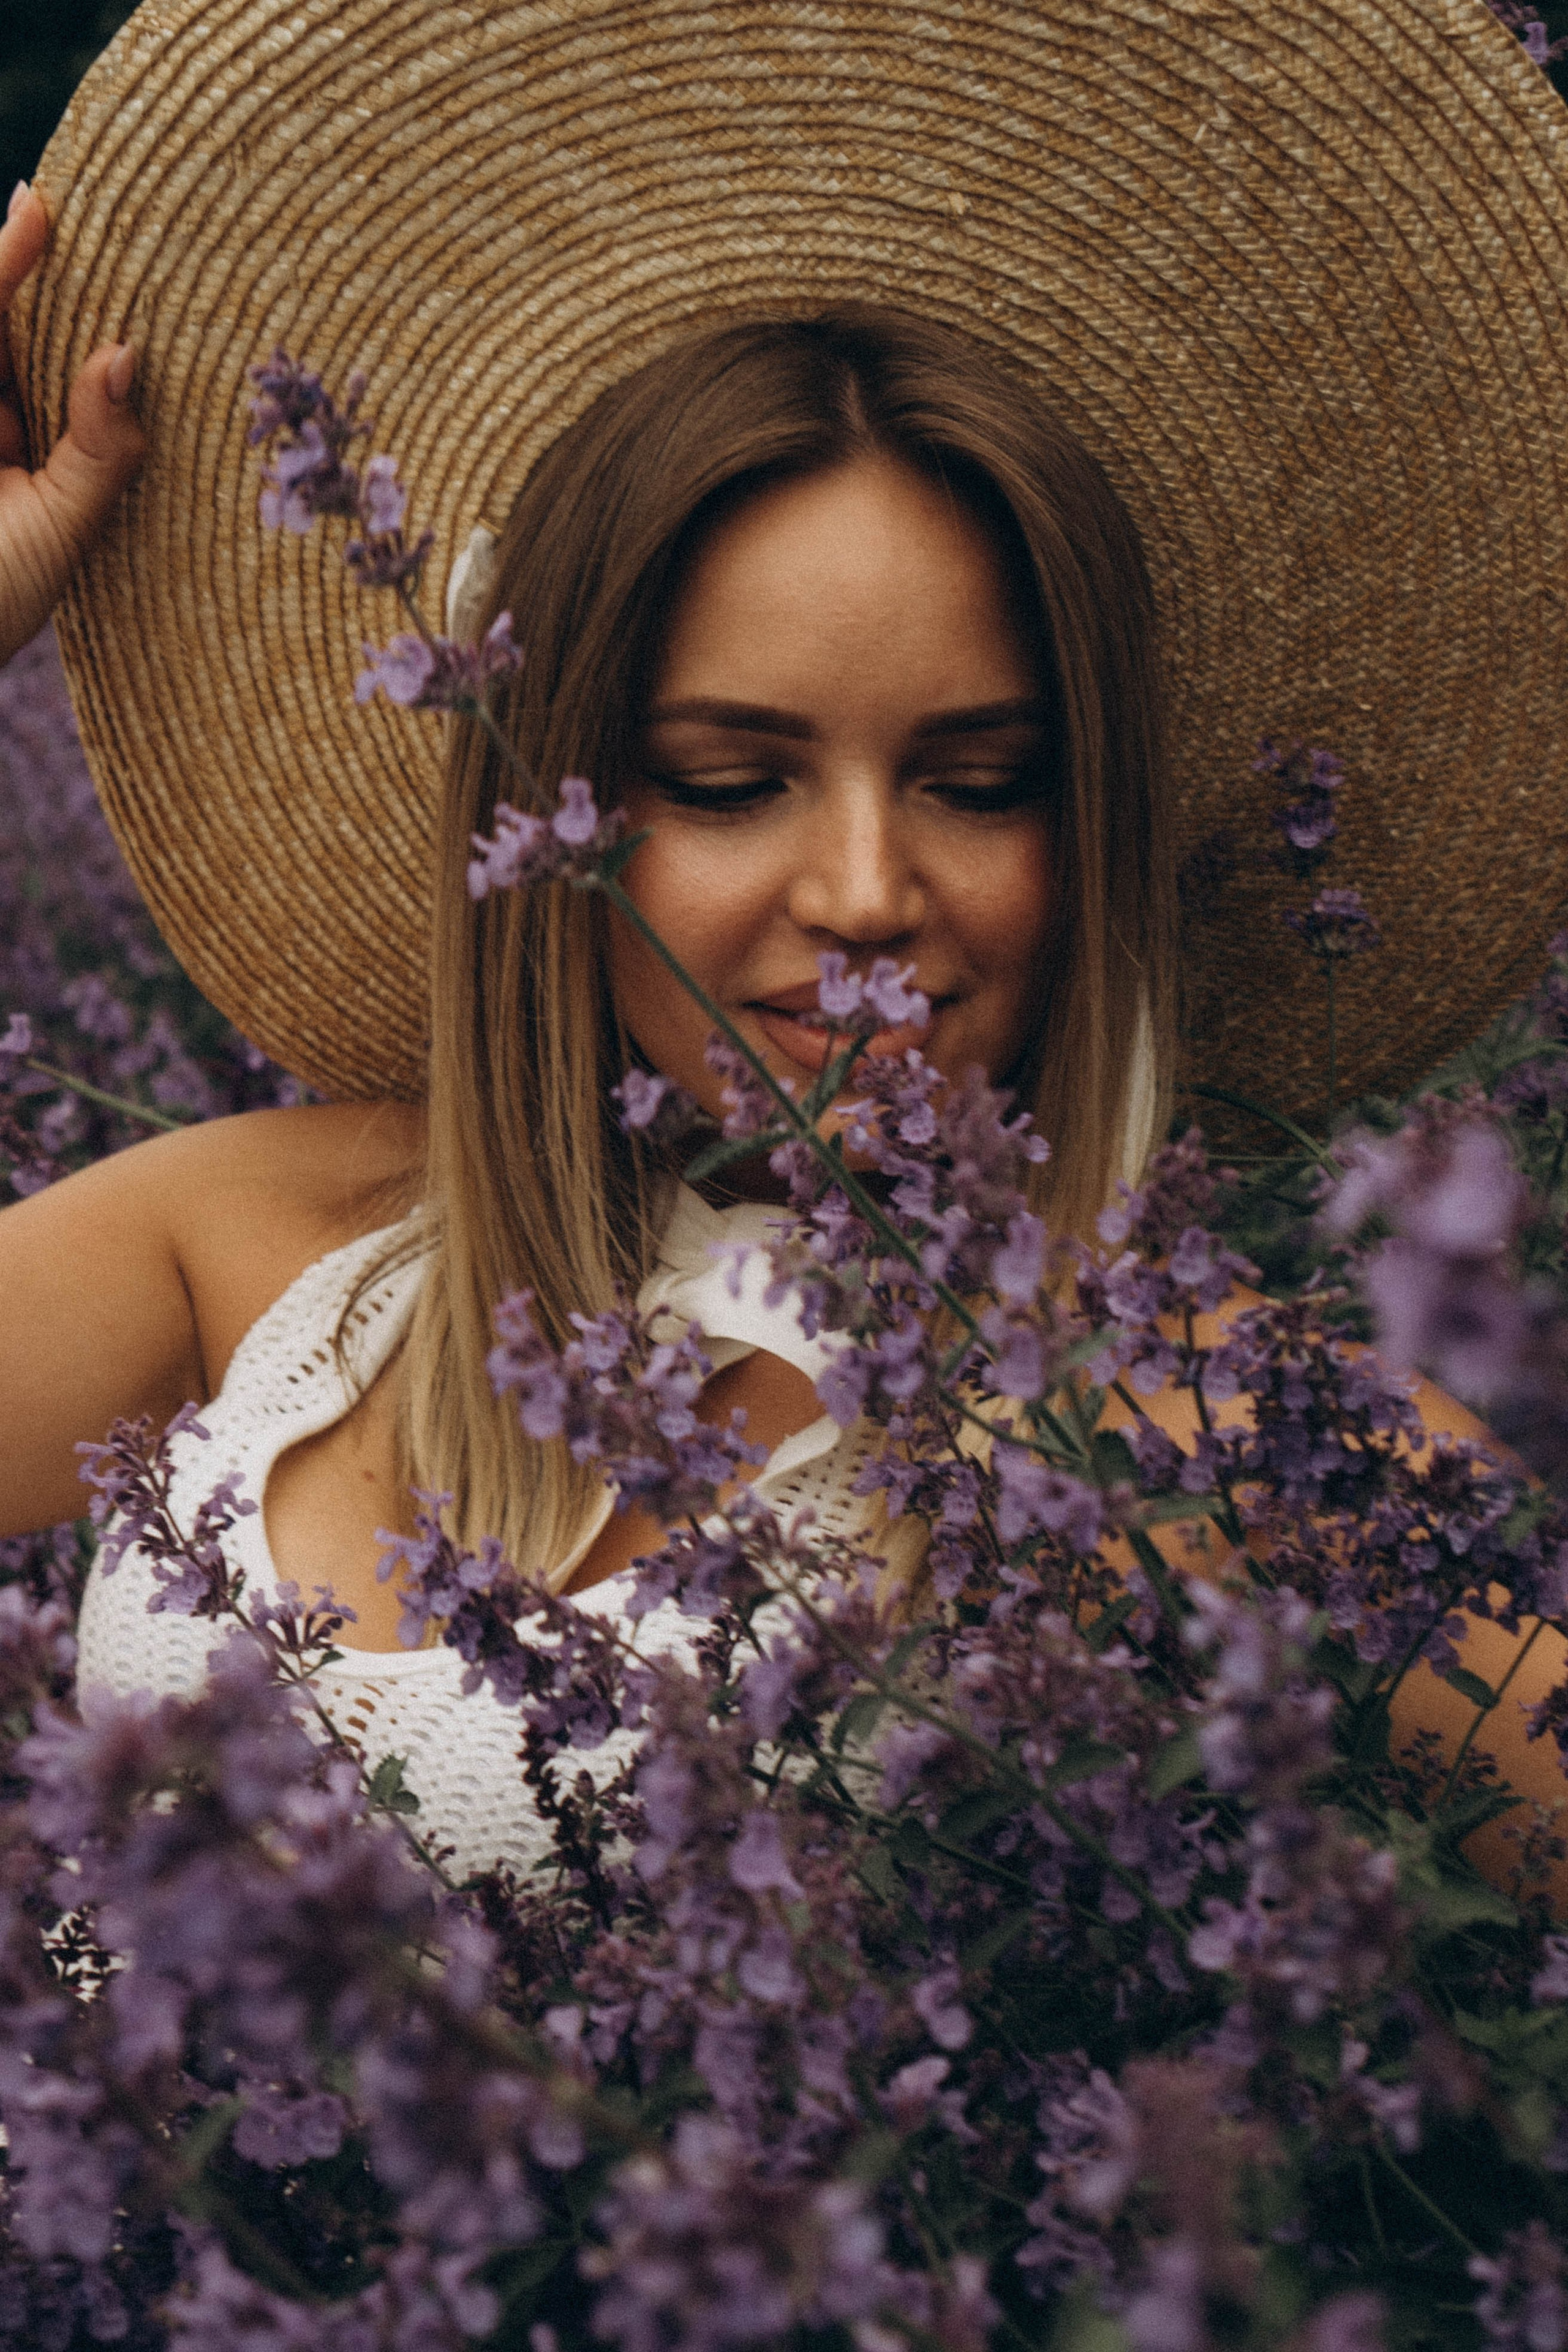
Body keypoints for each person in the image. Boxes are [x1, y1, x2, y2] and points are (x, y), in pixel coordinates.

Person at [2, 0, 1567, 1882]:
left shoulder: (1193, 1419)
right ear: (556, 804)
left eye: (980, 782)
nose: (861, 894)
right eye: (730, 781)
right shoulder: (269, 1249)